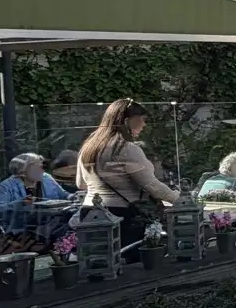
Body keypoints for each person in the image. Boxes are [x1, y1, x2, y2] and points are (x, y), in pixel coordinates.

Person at [75, 98, 180, 253]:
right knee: (130, 264)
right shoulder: (127, 149)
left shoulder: (88, 147)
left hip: (89, 213)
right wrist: (179, 199)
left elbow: (81, 184)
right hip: (122, 215)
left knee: (97, 262)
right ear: (127, 121)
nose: (144, 125)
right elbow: (153, 187)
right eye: (142, 119)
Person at [0, 152, 71, 238]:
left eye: (42, 166)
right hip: (23, 231)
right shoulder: (8, 185)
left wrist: (72, 196)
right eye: (37, 167)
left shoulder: (47, 178)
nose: (42, 169)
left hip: (50, 225)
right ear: (23, 171)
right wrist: (19, 203)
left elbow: (64, 195)